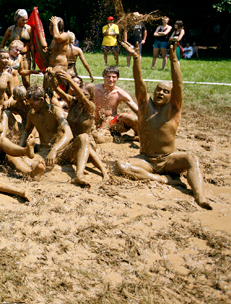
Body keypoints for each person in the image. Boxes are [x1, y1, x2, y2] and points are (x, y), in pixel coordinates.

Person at [117, 41, 211, 209]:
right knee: (121, 165)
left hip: (168, 160)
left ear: (171, 96)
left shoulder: (173, 110)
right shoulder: (145, 106)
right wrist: (137, 58)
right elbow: (139, 82)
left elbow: (179, 84)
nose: (161, 92)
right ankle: (162, 179)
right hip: (145, 160)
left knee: (191, 159)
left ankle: (199, 195)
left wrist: (174, 60)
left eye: (165, 91)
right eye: (158, 90)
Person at [53, 71, 109, 187]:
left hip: (87, 143)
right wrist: (51, 76)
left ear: (91, 97)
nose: (80, 96)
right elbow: (56, 89)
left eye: (85, 94)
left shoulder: (90, 107)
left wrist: (70, 81)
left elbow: (82, 97)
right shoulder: (73, 102)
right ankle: (94, 171)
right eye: (79, 93)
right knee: (82, 139)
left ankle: (99, 173)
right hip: (72, 144)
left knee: (85, 139)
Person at [20, 86, 73, 170]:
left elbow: (69, 134)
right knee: (23, 161)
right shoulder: (32, 114)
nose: (30, 106)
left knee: (34, 165)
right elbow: (27, 131)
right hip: (43, 151)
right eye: (29, 104)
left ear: (41, 100)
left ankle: (64, 169)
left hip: (60, 150)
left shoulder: (55, 111)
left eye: (32, 104)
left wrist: (55, 150)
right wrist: (20, 148)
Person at [93, 66, 138, 142]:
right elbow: (80, 98)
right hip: (94, 122)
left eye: (114, 77)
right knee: (97, 138)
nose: (111, 79)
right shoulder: (95, 89)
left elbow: (136, 109)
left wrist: (148, 117)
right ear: (104, 77)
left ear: (117, 78)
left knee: (134, 118)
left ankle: (138, 136)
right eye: (108, 77)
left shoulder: (120, 93)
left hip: (111, 122)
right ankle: (115, 138)